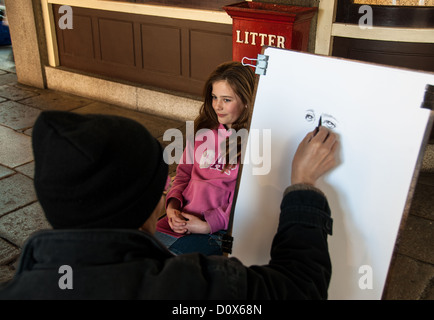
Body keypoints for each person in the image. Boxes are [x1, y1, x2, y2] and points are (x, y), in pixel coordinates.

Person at [0, 110, 338, 300]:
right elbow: (300, 288)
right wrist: (303, 186)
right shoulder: (196, 288)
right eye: (162, 184)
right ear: (147, 204)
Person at [154, 61, 255, 255]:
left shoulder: (252, 144)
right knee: (137, 254)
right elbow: (182, 176)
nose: (217, 105)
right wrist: (172, 207)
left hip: (216, 230)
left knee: (172, 267)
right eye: (214, 97)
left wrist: (207, 226)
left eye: (227, 99)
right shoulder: (202, 133)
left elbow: (243, 200)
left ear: (246, 101)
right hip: (178, 222)